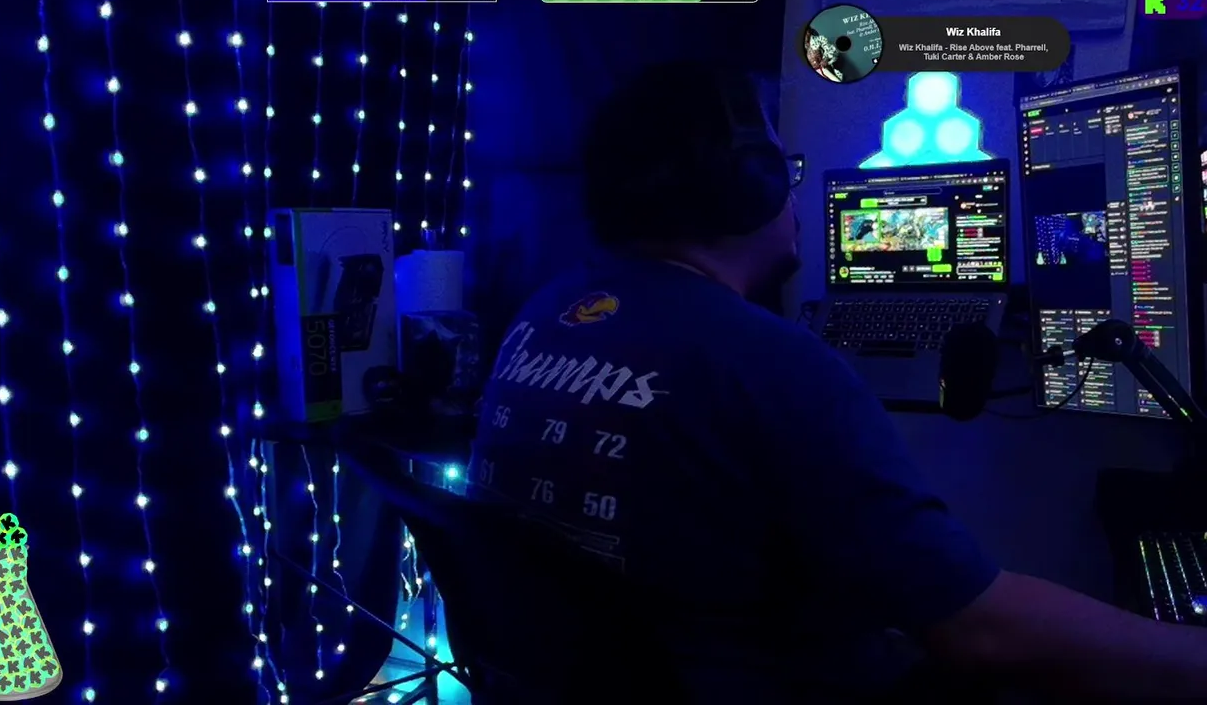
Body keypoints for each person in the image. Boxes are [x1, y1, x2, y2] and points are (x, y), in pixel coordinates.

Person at [469, 59, 1207, 701]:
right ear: (748, 185)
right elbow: (982, 632)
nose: (790, 194)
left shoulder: (546, 312)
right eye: (784, 169)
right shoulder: (768, 362)